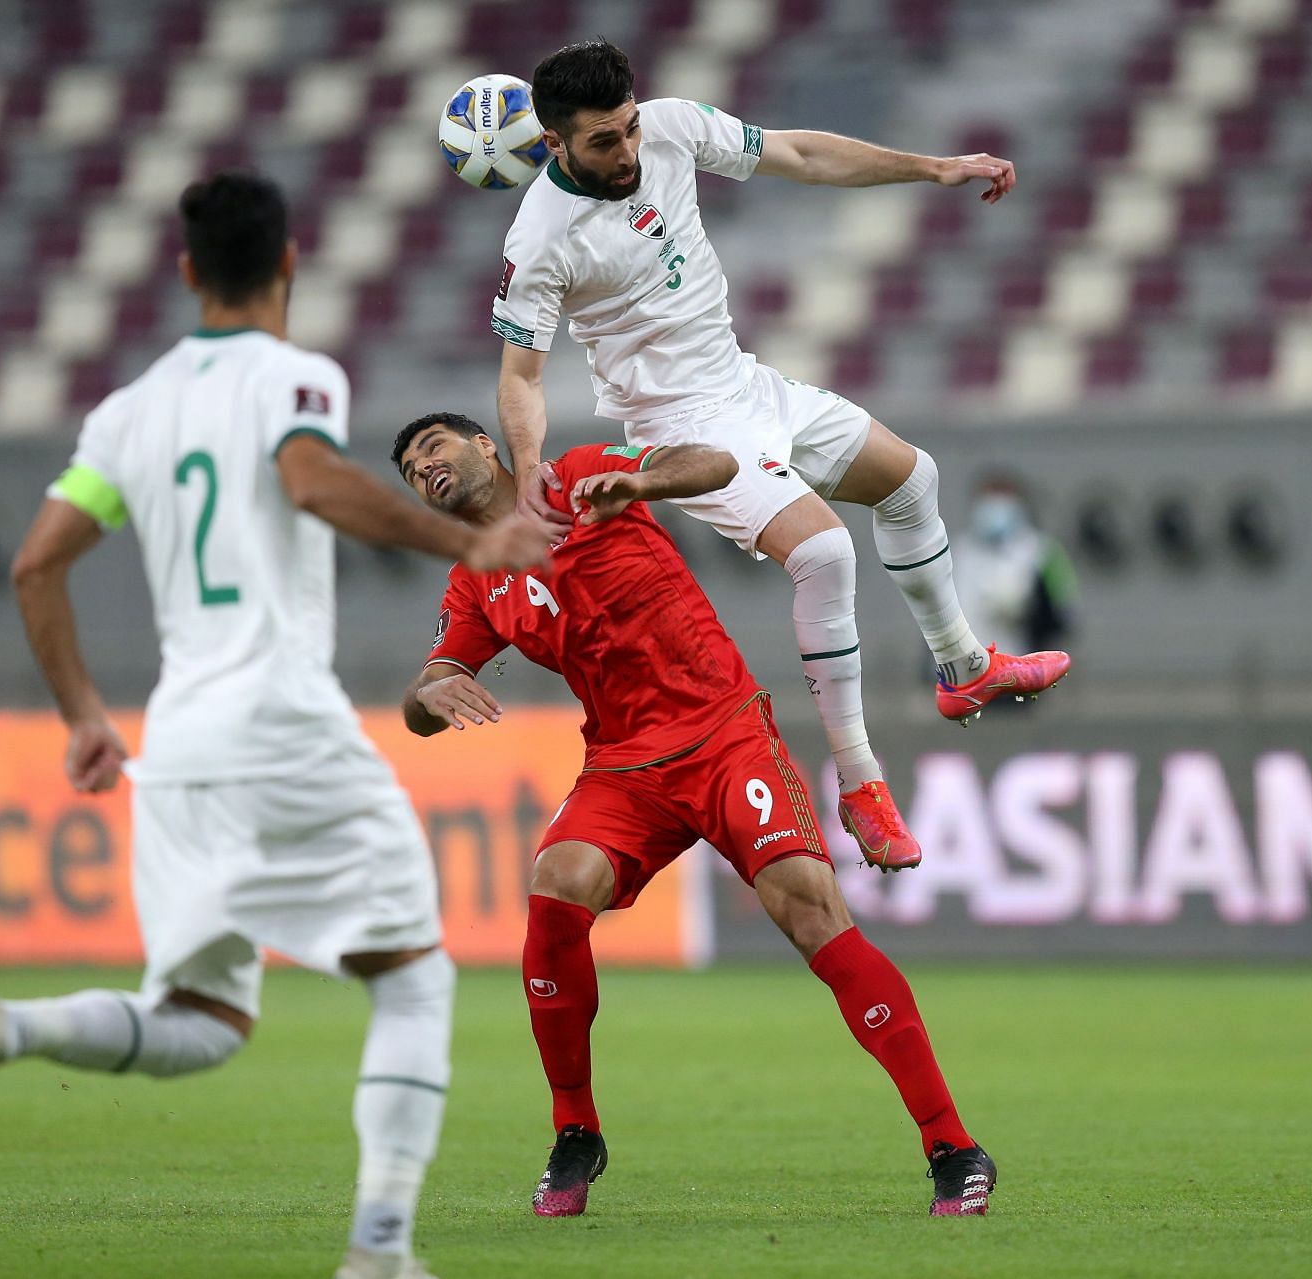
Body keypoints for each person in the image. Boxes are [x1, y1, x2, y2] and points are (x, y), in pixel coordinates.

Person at [0, 172, 551, 1279]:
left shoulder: (128, 409)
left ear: (188, 270)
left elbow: (35, 563)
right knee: (414, 978)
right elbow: (307, 480)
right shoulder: (294, 376)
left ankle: (2, 1027)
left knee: (198, 1020)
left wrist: (84, 717)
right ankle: (380, 1250)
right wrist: (466, 543)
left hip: (181, 743)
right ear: (290, 264)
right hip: (282, 722)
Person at [391, 412, 996, 1219]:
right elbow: (425, 690)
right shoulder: (476, 577)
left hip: (722, 731)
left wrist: (641, 481)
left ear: (484, 447)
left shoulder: (571, 476)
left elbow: (714, 463)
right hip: (623, 763)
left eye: (433, 447)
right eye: (407, 468)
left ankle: (952, 1144)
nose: (422, 466)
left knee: (812, 911)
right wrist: (427, 697)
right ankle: (576, 1131)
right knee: (555, 885)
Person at [492, 39, 1071, 870]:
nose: (625, 151)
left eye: (626, 128)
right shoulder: (540, 240)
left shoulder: (671, 127)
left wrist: (933, 169)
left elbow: (798, 152)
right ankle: (861, 784)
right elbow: (521, 375)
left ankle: (964, 666)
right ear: (553, 144)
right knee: (827, 552)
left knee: (913, 481)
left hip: (746, 386)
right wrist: (527, 469)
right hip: (679, 428)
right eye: (601, 142)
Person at [955, 472, 1078, 665]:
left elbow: (1062, 616)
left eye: (1002, 499)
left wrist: (1027, 612)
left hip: (1017, 673)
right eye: (988, 499)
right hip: (960, 674)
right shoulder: (959, 551)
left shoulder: (1042, 551)